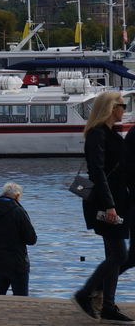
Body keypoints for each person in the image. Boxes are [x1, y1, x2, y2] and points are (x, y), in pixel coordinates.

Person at [74, 91, 131, 321]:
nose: (124, 109)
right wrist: (109, 206)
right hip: (105, 204)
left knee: (114, 253)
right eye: (122, 105)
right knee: (119, 254)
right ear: (111, 108)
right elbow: (97, 172)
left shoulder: (109, 134)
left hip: (114, 202)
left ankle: (107, 305)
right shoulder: (98, 134)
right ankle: (86, 293)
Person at [0, 181, 37, 296]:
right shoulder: (19, 212)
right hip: (17, 264)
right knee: (21, 298)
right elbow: (31, 239)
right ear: (17, 196)